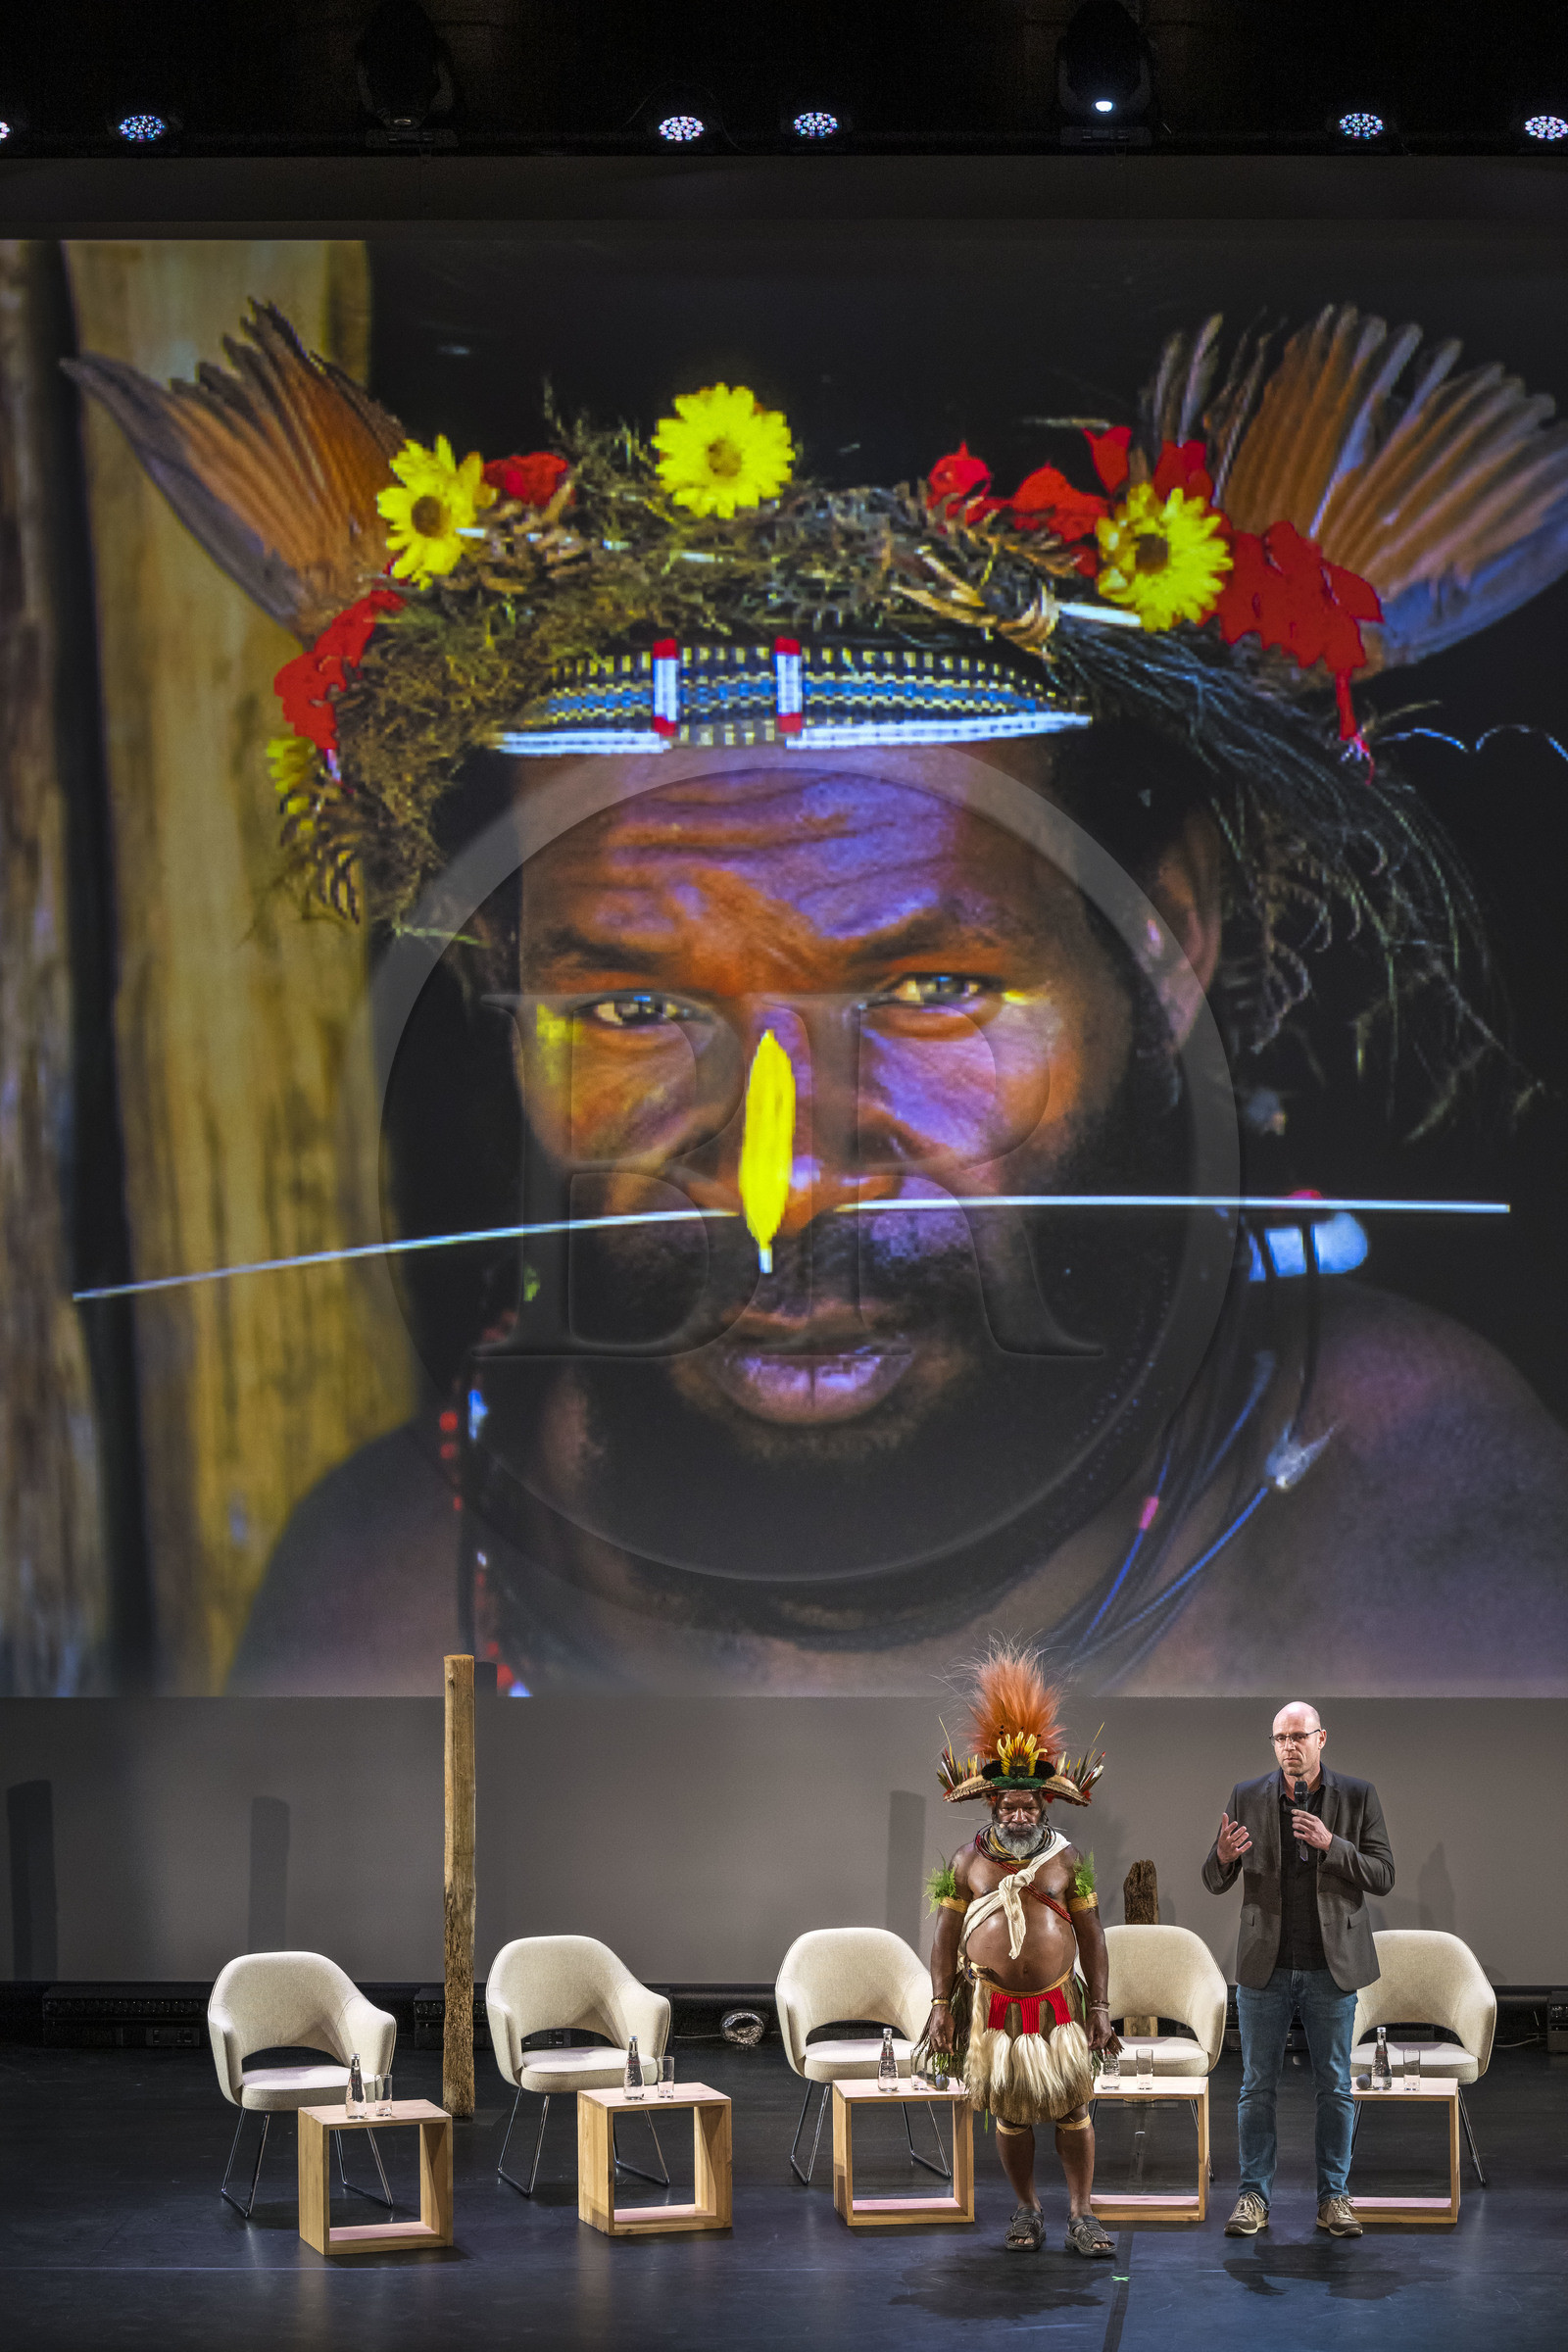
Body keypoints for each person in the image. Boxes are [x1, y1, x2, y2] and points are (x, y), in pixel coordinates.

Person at [71, 298, 1568, 1697]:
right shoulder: (387, 1605)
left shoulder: (1422, 1582)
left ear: (1166, 936)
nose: (779, 1180)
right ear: (499, 978)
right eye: (636, 1013)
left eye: (927, 990)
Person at [923, 1643, 1118, 2253]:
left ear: (1044, 1804)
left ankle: (1082, 2215)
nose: (1018, 1812)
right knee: (1009, 2111)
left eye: (1029, 1803)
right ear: (992, 1805)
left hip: (1059, 2006)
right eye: (1008, 1804)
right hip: (993, 2008)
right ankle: (1028, 2210)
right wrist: (939, 2004)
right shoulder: (966, 1861)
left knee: (1071, 2109)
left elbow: (1091, 1935)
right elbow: (946, 1937)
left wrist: (1101, 2007)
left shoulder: (1066, 1859)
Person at [1202, 1699, 1396, 2239]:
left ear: (1321, 1739)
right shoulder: (1247, 1796)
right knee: (1256, 2088)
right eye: (1280, 1739)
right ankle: (1253, 2199)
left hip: (1330, 1969)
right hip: (1265, 1965)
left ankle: (1334, 2197)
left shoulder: (1357, 1796)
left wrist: (1332, 1845)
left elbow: (1383, 1874)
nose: (1290, 1747)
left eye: (1299, 1737)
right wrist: (1221, 1857)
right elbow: (1214, 1880)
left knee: (1334, 2087)